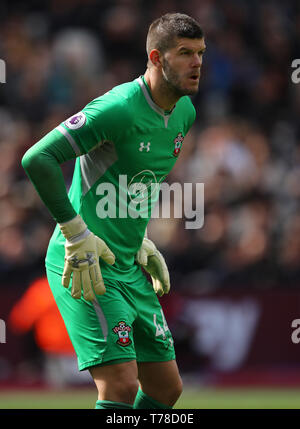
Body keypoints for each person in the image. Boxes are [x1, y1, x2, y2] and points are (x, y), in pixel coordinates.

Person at [22, 13, 206, 409]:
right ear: (156, 58)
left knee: (165, 389)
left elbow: (134, 182)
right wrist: (76, 232)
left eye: (201, 53)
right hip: (85, 260)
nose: (197, 63)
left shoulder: (184, 114)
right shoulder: (118, 108)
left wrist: (141, 240)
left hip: (128, 263)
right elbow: (37, 159)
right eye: (185, 53)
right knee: (120, 387)